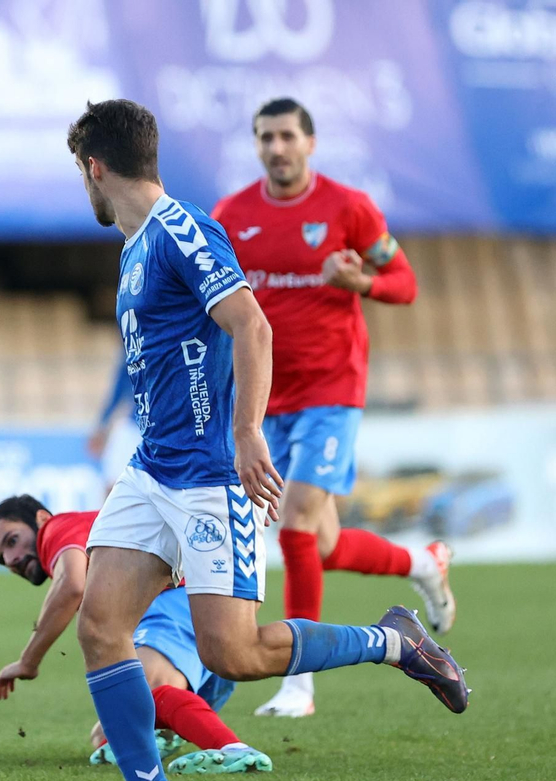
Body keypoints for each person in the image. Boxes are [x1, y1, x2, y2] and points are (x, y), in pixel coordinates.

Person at [62, 99, 469, 781]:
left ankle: (394, 642)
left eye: (80, 173)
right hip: (152, 472)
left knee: (236, 653)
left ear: (95, 167)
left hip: (209, 476)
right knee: (100, 626)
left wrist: (247, 431)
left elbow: (251, 323)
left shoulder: (182, 229)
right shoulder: (135, 246)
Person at [211, 97, 454, 719]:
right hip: (265, 399)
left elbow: (405, 283)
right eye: (265, 137)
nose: (276, 147)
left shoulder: (349, 207)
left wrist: (361, 283)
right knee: (319, 545)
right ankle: (422, 562)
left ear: (310, 143)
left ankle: (299, 685)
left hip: (331, 392)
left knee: (294, 526)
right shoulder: (231, 216)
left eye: (287, 136)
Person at [0, 495, 271, 775]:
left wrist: (28, 661)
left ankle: (232, 748)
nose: (11, 559)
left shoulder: (57, 528)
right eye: (2, 559)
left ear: (42, 518)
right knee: (106, 733)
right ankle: (166, 731)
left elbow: (71, 586)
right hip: (201, 603)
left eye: (12, 540)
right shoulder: (92, 534)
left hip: (178, 599)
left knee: (140, 696)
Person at [86, 362, 141, 493]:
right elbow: (120, 386)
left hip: (160, 429)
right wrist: (102, 424)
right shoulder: (132, 353)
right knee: (113, 485)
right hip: (134, 426)